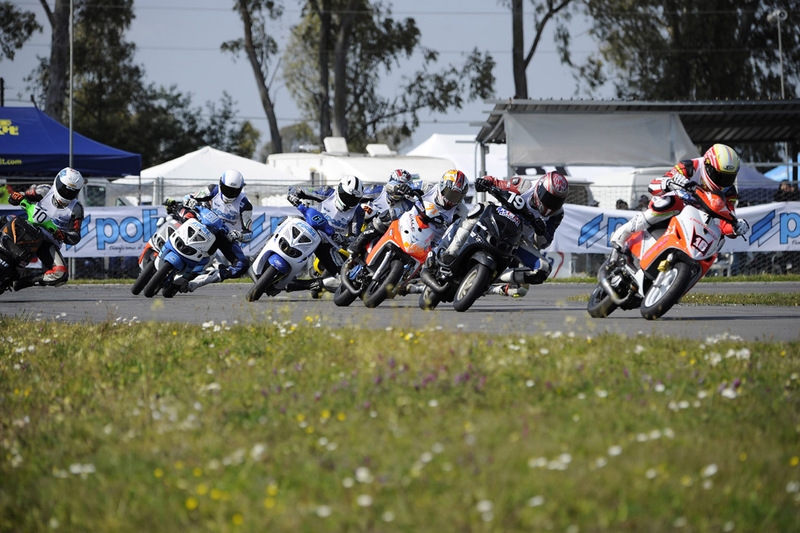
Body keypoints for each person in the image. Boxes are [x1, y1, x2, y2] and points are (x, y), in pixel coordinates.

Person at [610, 143, 750, 253]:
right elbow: (653, 186)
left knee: (719, 238)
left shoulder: (729, 191)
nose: (723, 181)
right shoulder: (690, 167)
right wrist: (669, 182)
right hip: (677, 210)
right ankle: (626, 230)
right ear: (707, 165)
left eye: (728, 177)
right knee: (668, 201)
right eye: (719, 175)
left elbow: (727, 218)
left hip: (701, 222)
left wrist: (736, 227)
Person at [462, 172, 569, 297]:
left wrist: (541, 231)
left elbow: (544, 243)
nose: (551, 205)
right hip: (495, 222)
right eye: (548, 198)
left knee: (543, 270)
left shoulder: (557, 214)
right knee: (480, 208)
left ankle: (491, 280)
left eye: (556, 202)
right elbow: (496, 183)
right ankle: (452, 251)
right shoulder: (524, 186)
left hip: (517, 241)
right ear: (540, 189)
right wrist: (484, 181)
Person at [6, 168, 85, 290]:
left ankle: (23, 282)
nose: (66, 194)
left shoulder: (76, 208)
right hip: (28, 227)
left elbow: (75, 237)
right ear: (57, 182)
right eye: (64, 189)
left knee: (61, 275)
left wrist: (62, 235)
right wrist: (15, 197)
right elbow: (22, 196)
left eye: (71, 192)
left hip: (47, 243)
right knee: (4, 219)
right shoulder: (44, 190)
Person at [286, 174, 366, 292]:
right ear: (339, 190)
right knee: (290, 219)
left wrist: (342, 239)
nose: (349, 202)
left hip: (329, 244)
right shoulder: (327, 193)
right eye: (346, 196)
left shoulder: (358, 212)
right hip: (310, 229)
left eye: (353, 199)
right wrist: (293, 195)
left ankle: (306, 285)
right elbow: (298, 190)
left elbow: (354, 237)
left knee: (345, 280)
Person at [180, 169, 252, 292]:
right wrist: (189, 200)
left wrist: (238, 235)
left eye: (234, 191)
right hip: (207, 226)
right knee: (185, 216)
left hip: (226, 237)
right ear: (220, 184)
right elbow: (190, 196)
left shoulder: (245, 205)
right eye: (227, 189)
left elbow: (249, 233)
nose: (229, 193)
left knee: (242, 265)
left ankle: (205, 279)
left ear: (240, 189)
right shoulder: (213, 189)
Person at [345, 169, 417, 261]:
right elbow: (356, 203)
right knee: (368, 213)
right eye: (399, 184)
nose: (401, 189)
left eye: (405, 186)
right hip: (367, 224)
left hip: (392, 233)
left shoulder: (409, 204)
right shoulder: (376, 191)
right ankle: (355, 245)